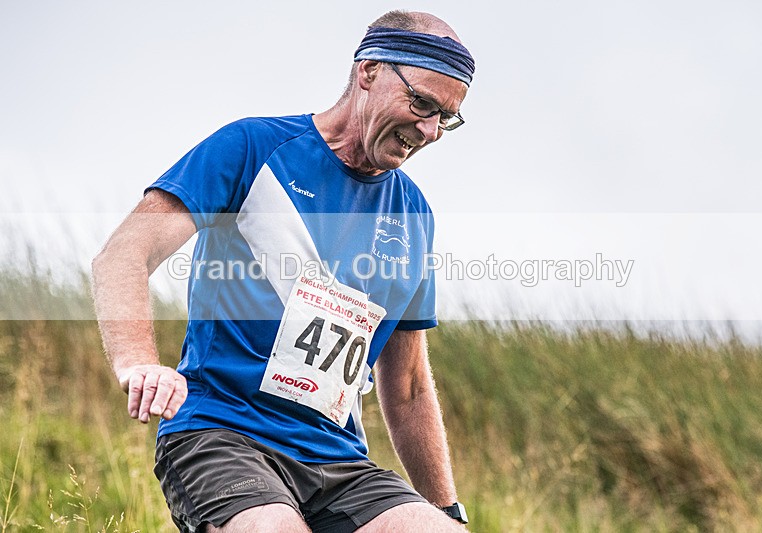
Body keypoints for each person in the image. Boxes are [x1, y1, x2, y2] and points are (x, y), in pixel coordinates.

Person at [92, 9, 475, 533]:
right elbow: (123, 255)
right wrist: (138, 362)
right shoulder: (253, 148)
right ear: (368, 72)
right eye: (421, 103)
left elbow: (406, 385)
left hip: (337, 460)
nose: (430, 131)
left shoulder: (413, 214)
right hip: (221, 434)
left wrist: (446, 510)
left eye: (446, 118)